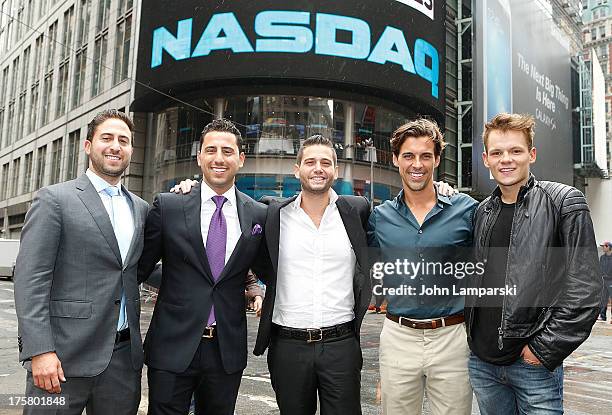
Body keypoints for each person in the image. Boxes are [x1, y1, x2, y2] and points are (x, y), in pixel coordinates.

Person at [13, 110, 148, 415]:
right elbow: (30, 279)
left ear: (130, 150)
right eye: (107, 138)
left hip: (123, 361)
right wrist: (40, 351)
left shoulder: (140, 208)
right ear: (88, 146)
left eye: (123, 141)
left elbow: (141, 268)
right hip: (61, 359)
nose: (115, 146)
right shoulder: (54, 199)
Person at [466, 113, 602, 414]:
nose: (507, 160)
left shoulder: (565, 202)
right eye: (498, 153)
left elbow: (585, 292)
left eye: (515, 151)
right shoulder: (481, 212)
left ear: (532, 154)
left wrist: (543, 349)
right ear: (486, 159)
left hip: (534, 367)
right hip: (483, 364)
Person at [137, 118, 267, 415]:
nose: (218, 158)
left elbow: (261, 268)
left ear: (241, 159)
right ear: (199, 157)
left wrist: (257, 291)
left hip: (226, 353)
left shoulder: (258, 214)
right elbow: (140, 269)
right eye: (210, 150)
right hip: (171, 347)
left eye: (227, 151)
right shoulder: (169, 205)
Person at [252, 134, 371, 415]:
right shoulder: (273, 214)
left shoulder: (357, 210)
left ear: (336, 170)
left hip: (341, 344)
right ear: (297, 170)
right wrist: (192, 188)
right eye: (310, 162)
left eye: (325, 162)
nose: (318, 168)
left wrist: (440, 189)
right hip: (288, 346)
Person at [367, 118, 477, 415]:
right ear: (395, 160)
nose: (417, 164)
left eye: (425, 156)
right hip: (398, 336)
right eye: (409, 156)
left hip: (452, 338)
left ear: (437, 160)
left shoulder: (467, 210)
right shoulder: (379, 217)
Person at [599, 241, 612, 321]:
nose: (603, 247)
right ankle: (603, 316)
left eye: (604, 246)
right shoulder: (602, 257)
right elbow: (600, 268)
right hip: (604, 281)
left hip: (611, 281)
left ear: (608, 247)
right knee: (603, 299)